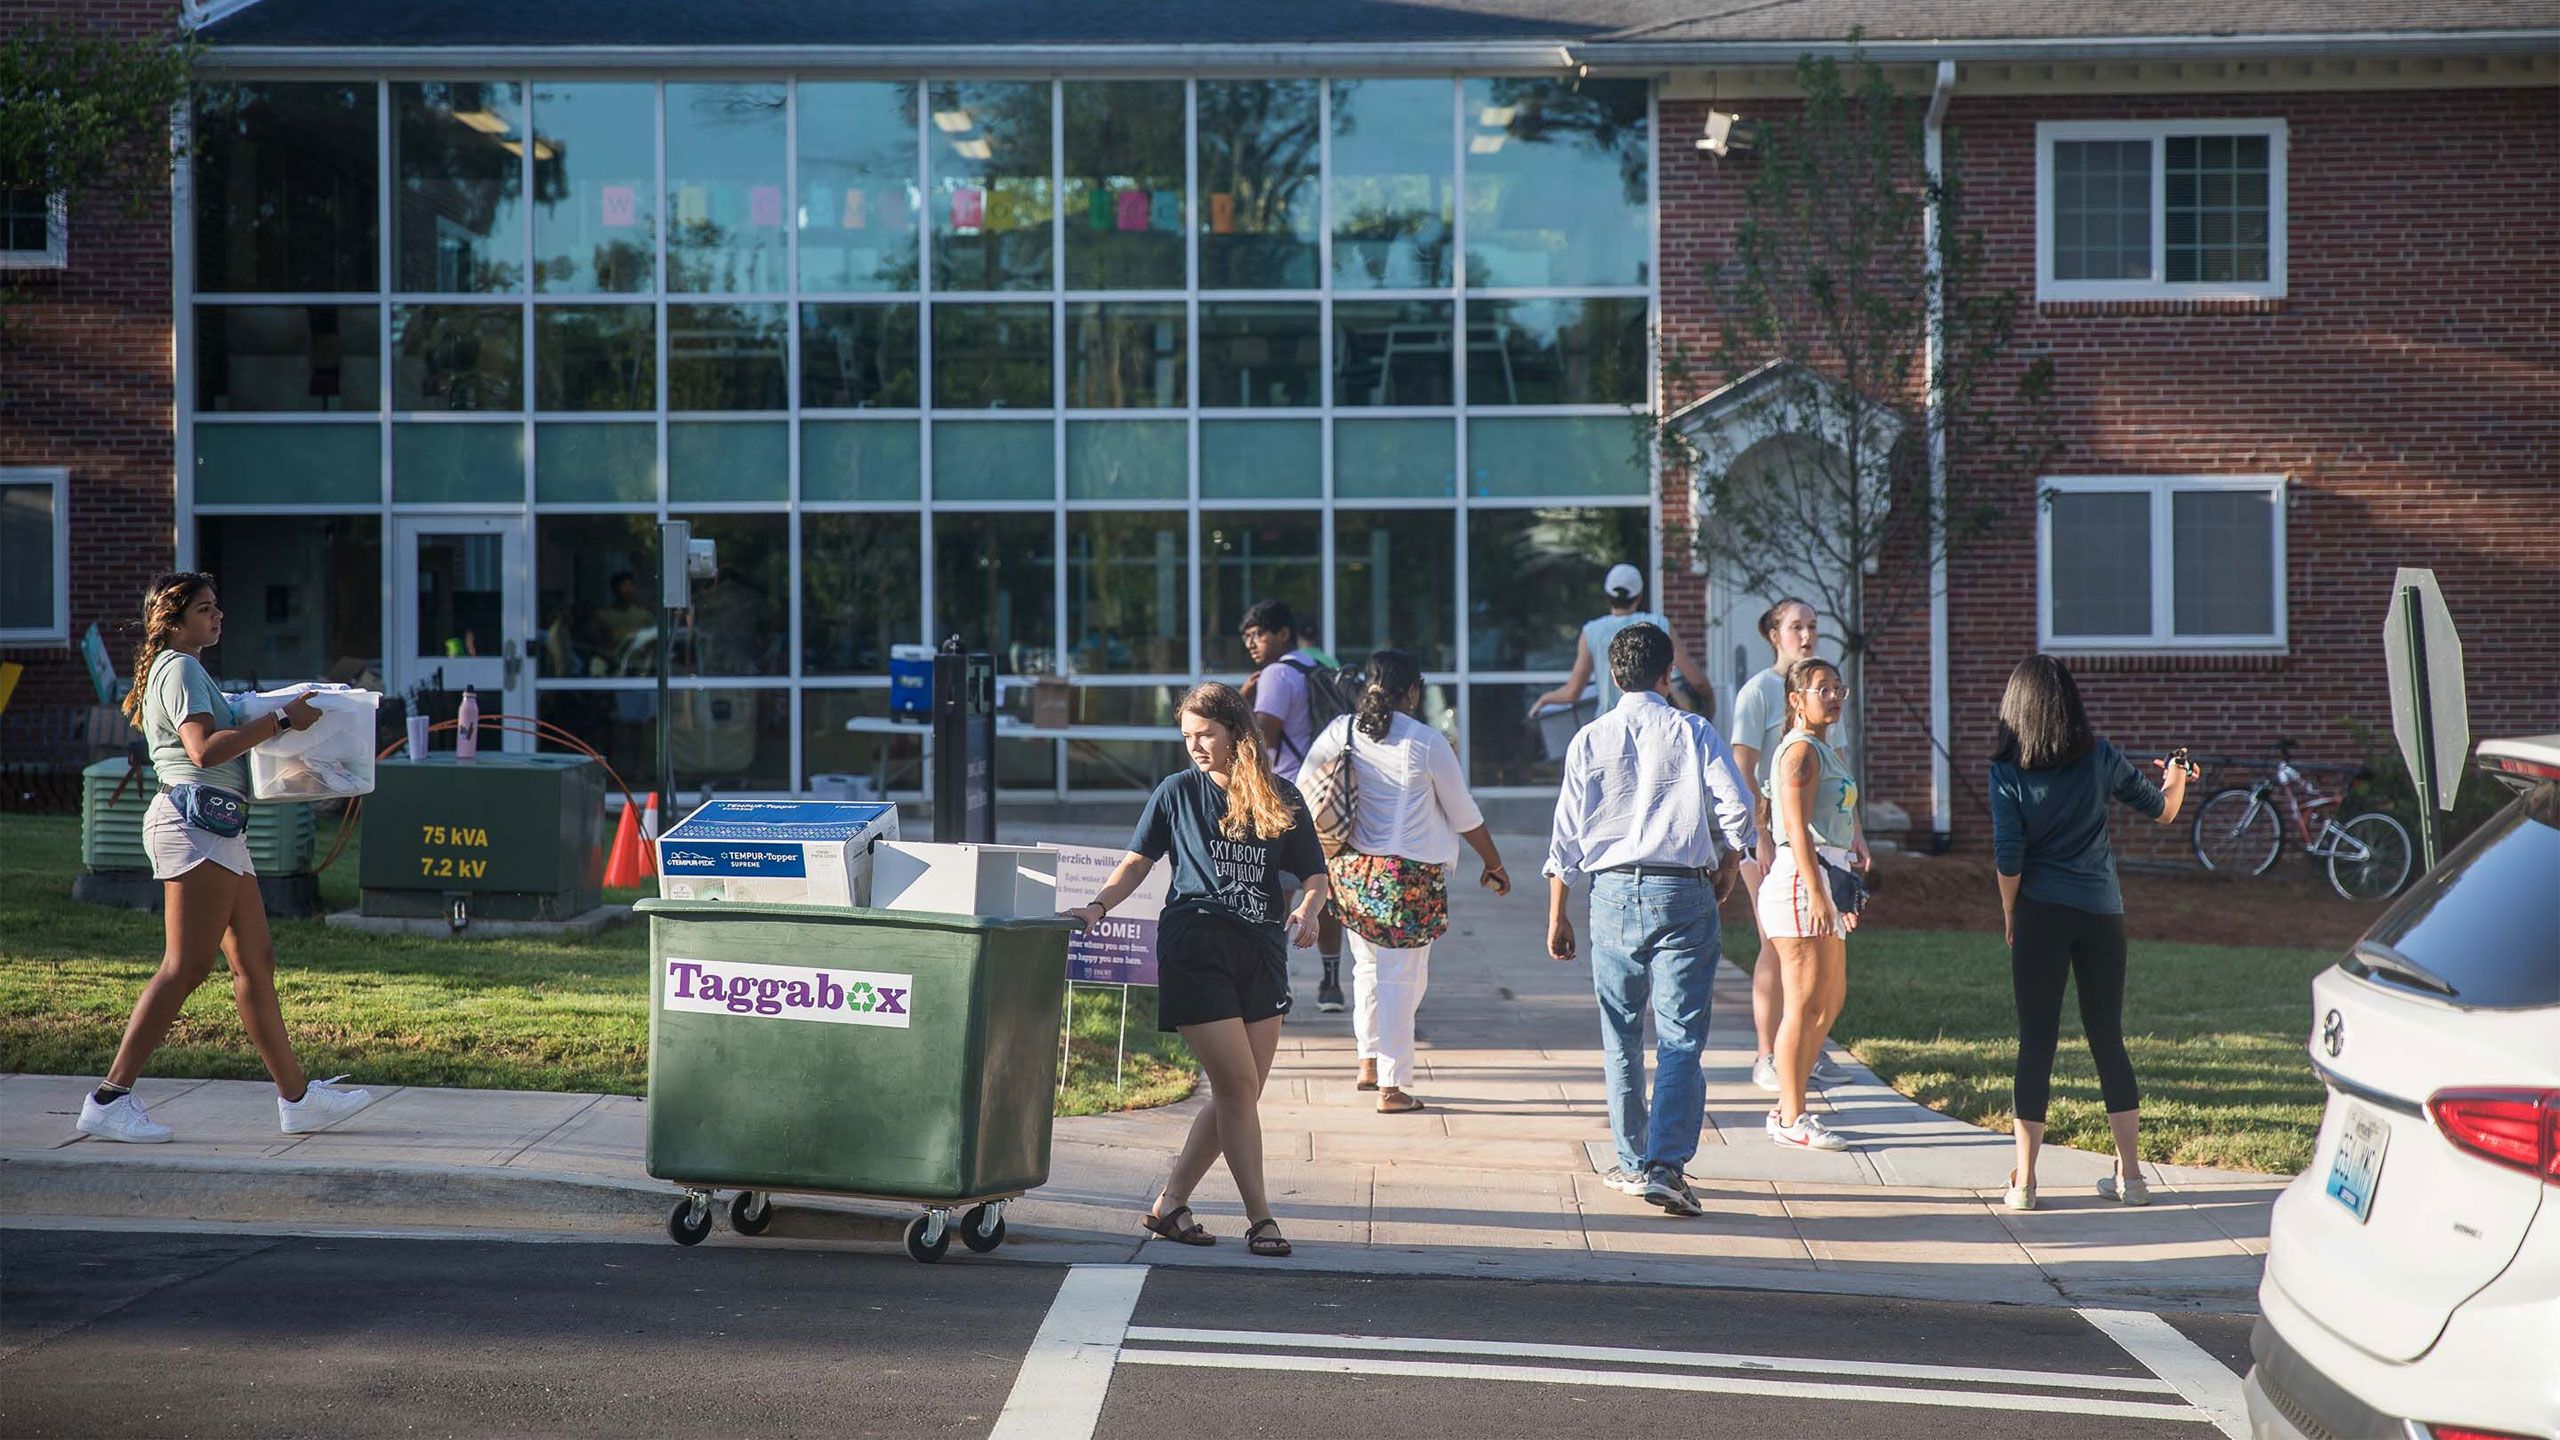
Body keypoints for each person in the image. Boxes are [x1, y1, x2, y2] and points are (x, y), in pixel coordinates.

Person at [75, 572, 379, 1144]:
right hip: (194, 824)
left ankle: (298, 1100)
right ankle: (108, 1099)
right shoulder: (181, 668)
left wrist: (270, 719)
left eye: (218, 608)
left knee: (255, 961)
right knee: (186, 966)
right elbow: (204, 749)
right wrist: (282, 721)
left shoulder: (183, 667)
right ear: (176, 617)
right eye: (207, 609)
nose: (218, 617)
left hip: (218, 824)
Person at [1063, 681, 1328, 1258]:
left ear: (1237, 730)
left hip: (1261, 952)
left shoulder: (1281, 796)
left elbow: (1314, 873)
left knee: (1243, 1093)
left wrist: (1308, 909)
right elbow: (1138, 861)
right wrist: (1098, 905)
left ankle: (1170, 1204)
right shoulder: (1176, 792)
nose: (1195, 746)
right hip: (1195, 946)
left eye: (1205, 733)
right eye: (1187, 736)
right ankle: (1261, 1219)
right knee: (1235, 1087)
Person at [1544, 623, 1756, 1217]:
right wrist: (1733, 862)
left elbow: (1566, 835)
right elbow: (1737, 809)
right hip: (1683, 891)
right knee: (1681, 1036)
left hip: (1610, 893)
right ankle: (1666, 1165)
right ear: (1668, 676)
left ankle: (1634, 1161)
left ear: (1614, 676)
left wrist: (1558, 913)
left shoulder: (1588, 737)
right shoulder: (1693, 731)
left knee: (1621, 1036)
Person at [1988, 654, 2192, 1212]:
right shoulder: (2100, 757)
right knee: (2108, 1036)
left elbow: (2010, 856)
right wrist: (2175, 779)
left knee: (2037, 1042)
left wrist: (2010, 911)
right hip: (2102, 914)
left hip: (2039, 915)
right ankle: (2131, 1177)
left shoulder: (2006, 771)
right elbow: (2163, 810)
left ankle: (2025, 1182)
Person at [1301, 650, 1509, 1114]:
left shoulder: (1342, 730)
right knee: (1403, 980)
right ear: (1412, 691)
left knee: (1368, 970)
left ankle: (1369, 1061)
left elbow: (1303, 790)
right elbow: (1464, 813)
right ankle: (1392, 1088)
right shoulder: (1425, 741)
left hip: (1351, 872)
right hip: (1406, 880)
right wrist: (1494, 862)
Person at [1729, 599, 1861, 1094]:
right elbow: (1743, 766)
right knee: (1774, 944)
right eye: (1795, 627)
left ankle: (1806, 1049)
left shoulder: (1823, 690)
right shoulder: (1761, 692)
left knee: (1818, 968)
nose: (1805, 635)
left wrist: (1857, 836)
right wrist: (1759, 832)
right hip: (1776, 838)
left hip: (1824, 841)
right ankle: (1769, 1055)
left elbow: (1839, 770)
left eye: (1811, 626)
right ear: (1773, 634)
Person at [1756, 656, 1869, 1152]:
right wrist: (1819, 892)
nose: (1835, 696)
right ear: (1796, 701)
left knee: (1829, 1002)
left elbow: (1837, 808)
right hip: (1802, 882)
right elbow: (1796, 830)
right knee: (1802, 1004)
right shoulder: (1799, 752)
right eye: (1822, 689)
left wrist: (1857, 842)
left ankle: (1789, 1104)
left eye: (1838, 688)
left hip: (1827, 873)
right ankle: (1791, 1114)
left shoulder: (1825, 749)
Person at [1238, 598, 1348, 1012]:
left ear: (1282, 633)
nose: (1252, 644)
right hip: (1332, 793)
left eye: (1258, 634)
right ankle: (1331, 984)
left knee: (1277, 890)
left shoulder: (1277, 674)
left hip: (1289, 794)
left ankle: (1275, 983)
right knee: (1323, 887)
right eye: (1247, 636)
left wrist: (1242, 703)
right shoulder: (1318, 665)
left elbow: (1260, 739)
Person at [1528, 563, 1714, 723]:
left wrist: (1545, 699)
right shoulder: (1659, 624)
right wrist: (1709, 705)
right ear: (1639, 596)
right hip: (1654, 724)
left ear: (1607, 596)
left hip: (1607, 727)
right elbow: (1696, 680)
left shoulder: (1591, 632)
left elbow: (1572, 693)